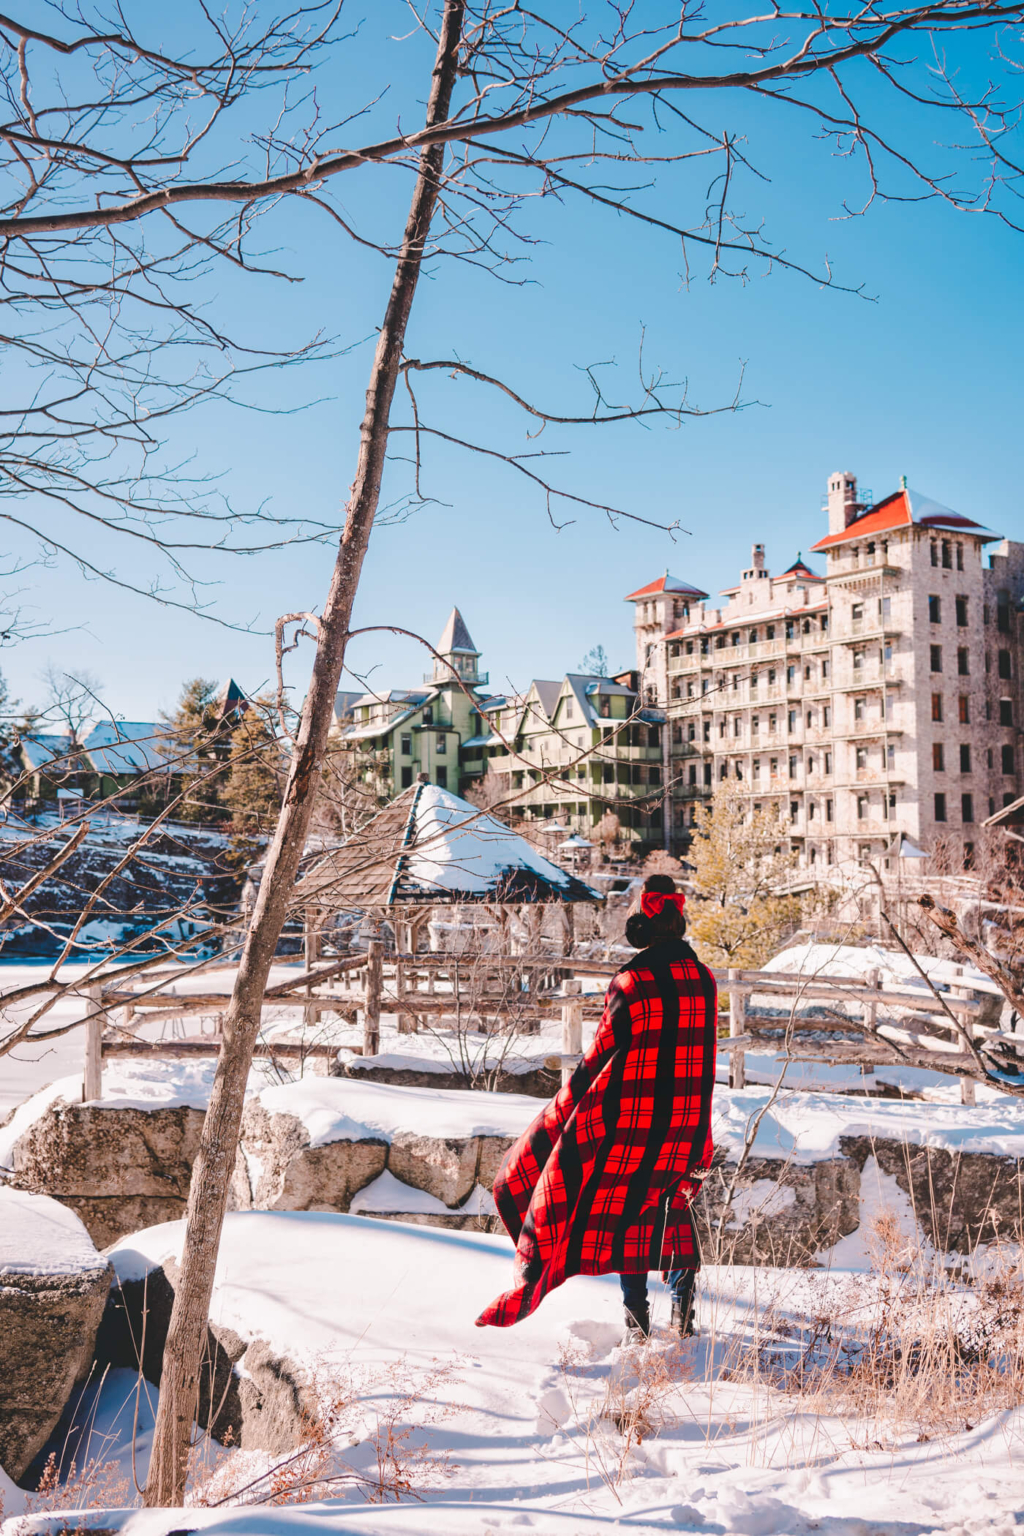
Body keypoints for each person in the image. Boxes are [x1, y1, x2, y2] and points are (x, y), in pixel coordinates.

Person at [476, 873, 717, 1340]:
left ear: (642, 927)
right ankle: (685, 1321)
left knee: (630, 1216)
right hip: (689, 1126)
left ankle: (638, 1323)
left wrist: (564, 1110)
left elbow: (603, 1054)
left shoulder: (631, 982)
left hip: (634, 1127)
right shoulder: (704, 979)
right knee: (673, 1210)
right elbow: (705, 1057)